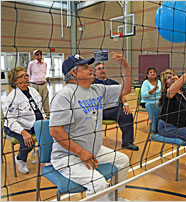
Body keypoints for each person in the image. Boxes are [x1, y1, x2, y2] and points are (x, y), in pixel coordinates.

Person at [49, 52, 131, 200]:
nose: (91, 69)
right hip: (68, 157)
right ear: (74, 73)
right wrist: (81, 152)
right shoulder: (64, 96)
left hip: (94, 151)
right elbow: (55, 130)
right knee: (97, 183)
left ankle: (113, 196)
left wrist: (125, 66)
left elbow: (125, 89)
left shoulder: (97, 90)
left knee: (123, 161)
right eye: (86, 67)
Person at [3, 67, 45, 174]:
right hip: (14, 127)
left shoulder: (33, 91)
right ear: (15, 81)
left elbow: (40, 109)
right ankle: (20, 159)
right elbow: (11, 120)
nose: (26, 77)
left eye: (26, 75)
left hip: (35, 124)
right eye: (22, 76)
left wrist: (45, 119)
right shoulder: (11, 98)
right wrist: (24, 132)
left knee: (53, 132)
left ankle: (47, 159)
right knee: (28, 143)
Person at [93, 62, 139, 151]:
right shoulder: (92, 83)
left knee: (127, 115)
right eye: (99, 69)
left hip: (113, 109)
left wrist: (125, 104)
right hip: (98, 111)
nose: (102, 70)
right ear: (95, 72)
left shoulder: (112, 82)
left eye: (103, 68)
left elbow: (121, 94)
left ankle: (127, 142)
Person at [27, 50, 50, 116]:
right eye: (37, 54)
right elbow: (29, 73)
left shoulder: (45, 63)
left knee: (46, 100)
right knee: (35, 100)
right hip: (34, 85)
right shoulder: (31, 64)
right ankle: (37, 114)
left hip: (43, 84)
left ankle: (47, 114)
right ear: (34, 56)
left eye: (40, 54)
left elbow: (44, 72)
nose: (39, 56)